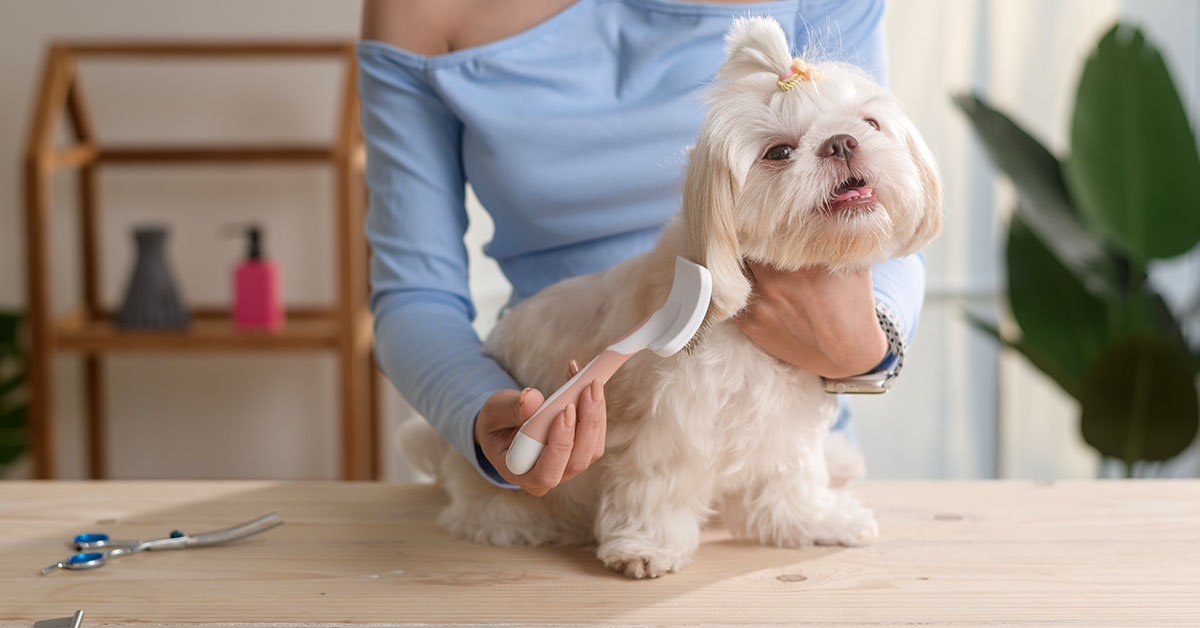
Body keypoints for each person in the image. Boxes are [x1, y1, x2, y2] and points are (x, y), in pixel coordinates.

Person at [359, 0, 925, 495]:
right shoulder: (421, 10)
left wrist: (870, 344)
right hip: (556, 447)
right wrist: (478, 412)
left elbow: (883, 201)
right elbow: (415, 294)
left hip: (789, 472)